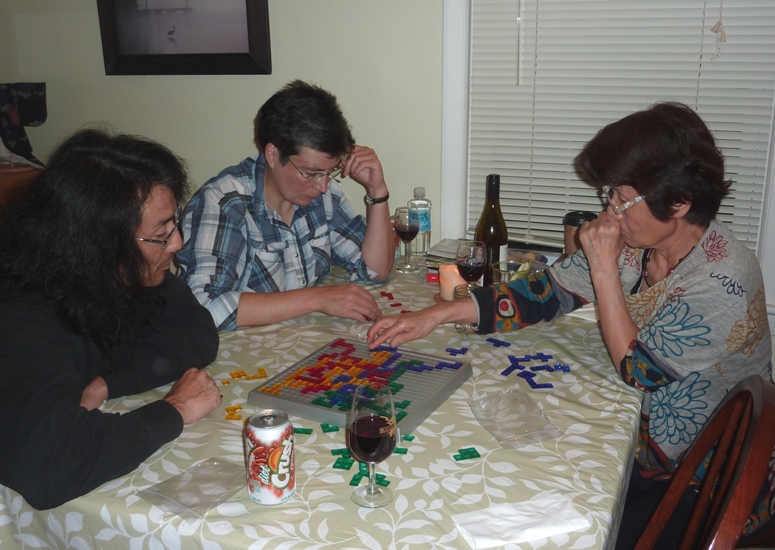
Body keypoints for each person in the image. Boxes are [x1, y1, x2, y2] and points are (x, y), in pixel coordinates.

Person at [367, 102, 772, 546]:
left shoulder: (724, 280)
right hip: (648, 442)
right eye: (610, 196)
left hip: (694, 480)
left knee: (545, 499)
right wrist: (438, 314)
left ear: (678, 202)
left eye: (622, 199)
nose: (610, 211)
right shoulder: (647, 240)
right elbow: (549, 292)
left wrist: (603, 269)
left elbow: (638, 371)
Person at [0, 128, 222, 510]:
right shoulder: (24, 314)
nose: (177, 242)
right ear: (102, 244)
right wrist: (174, 411)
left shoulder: (125, 272)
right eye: (161, 234)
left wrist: (106, 383)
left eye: (173, 223)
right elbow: (50, 465)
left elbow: (198, 332)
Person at [177, 80, 395, 331]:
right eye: (310, 173)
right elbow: (204, 308)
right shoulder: (224, 202)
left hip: (297, 343)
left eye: (330, 172)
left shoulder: (322, 194)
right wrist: (316, 299)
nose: (323, 186)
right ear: (272, 155)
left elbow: (374, 270)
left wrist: (377, 192)